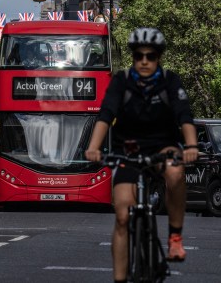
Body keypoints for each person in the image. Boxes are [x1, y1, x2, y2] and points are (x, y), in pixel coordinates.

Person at [84, 27, 198, 281]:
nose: (145, 61)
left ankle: (175, 236)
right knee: (123, 216)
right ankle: (120, 279)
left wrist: (190, 147)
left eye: (151, 56)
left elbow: (184, 117)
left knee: (176, 172)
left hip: (162, 146)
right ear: (133, 57)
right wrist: (94, 147)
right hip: (128, 150)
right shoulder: (121, 82)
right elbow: (105, 115)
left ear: (159, 57)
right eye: (139, 56)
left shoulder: (170, 81)